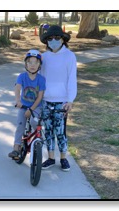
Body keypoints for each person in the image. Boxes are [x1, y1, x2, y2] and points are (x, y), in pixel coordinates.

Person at [39, 25, 77, 171]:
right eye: (50, 38)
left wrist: (70, 100)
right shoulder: (44, 57)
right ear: (47, 41)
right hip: (46, 100)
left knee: (60, 132)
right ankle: (50, 158)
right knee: (48, 131)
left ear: (63, 40)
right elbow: (41, 78)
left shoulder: (69, 56)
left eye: (57, 38)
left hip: (61, 101)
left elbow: (71, 79)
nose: (53, 41)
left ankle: (63, 158)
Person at [8, 49, 46, 159]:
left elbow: (40, 97)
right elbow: (17, 88)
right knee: (20, 125)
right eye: (30, 62)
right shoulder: (22, 76)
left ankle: (38, 139)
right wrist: (18, 101)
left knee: (35, 122)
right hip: (24, 106)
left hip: (36, 107)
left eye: (36, 62)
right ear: (25, 64)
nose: (32, 65)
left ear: (39, 65)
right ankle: (16, 148)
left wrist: (31, 109)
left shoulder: (41, 79)